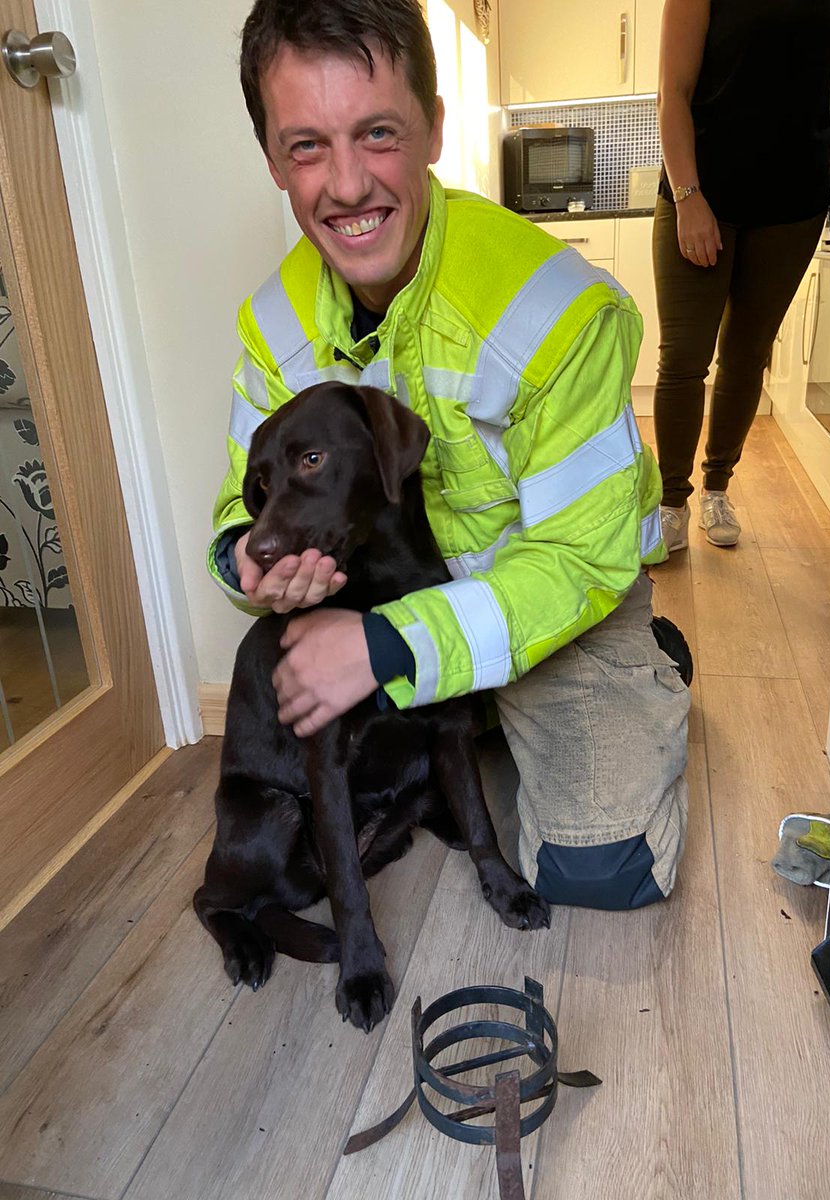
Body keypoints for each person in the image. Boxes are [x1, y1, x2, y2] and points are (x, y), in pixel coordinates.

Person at [208, 0, 691, 911]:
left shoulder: (552, 310)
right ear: (273, 158)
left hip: (557, 605)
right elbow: (238, 517)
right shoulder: (271, 331)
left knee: (603, 870)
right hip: (401, 615)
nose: (347, 184)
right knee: (425, 757)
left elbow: (581, 559)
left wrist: (387, 645)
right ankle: (477, 719)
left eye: (378, 133)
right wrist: (248, 564)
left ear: (432, 126)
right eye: (307, 146)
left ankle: (649, 663)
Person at [654, 0, 830, 553]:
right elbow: (673, 92)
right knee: (685, 357)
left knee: (747, 354)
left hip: (794, 198)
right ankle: (671, 502)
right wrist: (689, 199)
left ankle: (717, 487)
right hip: (701, 189)